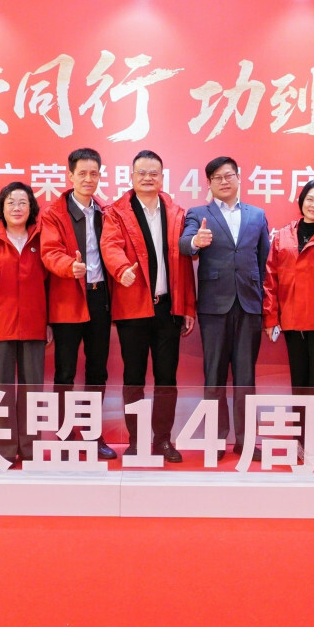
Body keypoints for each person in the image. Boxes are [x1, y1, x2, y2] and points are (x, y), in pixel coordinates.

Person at [101, 149, 197, 463]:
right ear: (131, 176)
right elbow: (110, 245)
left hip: (168, 309)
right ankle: (137, 441)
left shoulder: (176, 212)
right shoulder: (117, 212)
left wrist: (187, 307)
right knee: (134, 378)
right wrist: (121, 269)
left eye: (153, 173)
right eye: (141, 172)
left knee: (167, 378)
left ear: (162, 177)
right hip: (133, 308)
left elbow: (184, 262)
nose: (147, 178)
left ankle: (163, 440)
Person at [180, 156, 271, 456]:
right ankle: (216, 440)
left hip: (249, 305)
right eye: (217, 177)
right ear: (209, 183)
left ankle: (246, 442)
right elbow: (183, 244)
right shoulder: (198, 214)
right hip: (214, 307)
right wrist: (196, 241)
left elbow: (264, 261)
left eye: (228, 175)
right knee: (214, 376)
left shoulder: (257, 215)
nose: (224, 181)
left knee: (246, 378)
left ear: (238, 177)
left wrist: (263, 302)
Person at [262, 179, 314, 465]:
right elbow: (270, 278)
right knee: (299, 383)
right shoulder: (283, 235)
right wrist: (271, 317)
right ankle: (300, 441)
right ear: (301, 202)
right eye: (310, 199)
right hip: (292, 321)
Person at [40, 147, 116, 460]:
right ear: (70, 175)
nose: (88, 179)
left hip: (99, 297)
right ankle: (65, 435)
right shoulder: (53, 213)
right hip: (68, 298)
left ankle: (93, 434)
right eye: (82, 173)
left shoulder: (106, 212)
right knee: (65, 372)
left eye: (93, 173)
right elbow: (49, 252)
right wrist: (68, 267)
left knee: (98, 371)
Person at [0, 181, 50, 464]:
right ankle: (3, 449)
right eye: (10, 202)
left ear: (31, 208)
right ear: (1, 209)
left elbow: (51, 285)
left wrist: (49, 322)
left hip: (34, 325)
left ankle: (30, 448)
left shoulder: (41, 240)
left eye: (23, 202)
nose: (17, 208)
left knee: (32, 391)